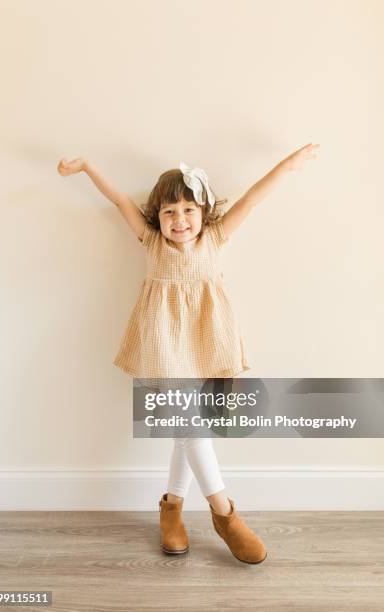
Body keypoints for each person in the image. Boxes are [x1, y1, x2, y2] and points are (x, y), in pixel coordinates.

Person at [57, 143, 320, 564]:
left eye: (189, 210)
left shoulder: (216, 238)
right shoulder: (150, 242)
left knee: (188, 431)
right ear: (156, 218)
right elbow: (122, 199)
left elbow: (253, 197)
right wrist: (87, 165)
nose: (179, 220)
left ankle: (172, 510)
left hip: (207, 341)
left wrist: (287, 165)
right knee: (189, 429)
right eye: (168, 212)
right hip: (162, 344)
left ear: (205, 212)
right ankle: (224, 514)